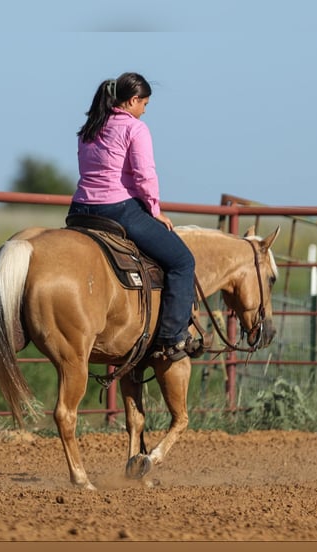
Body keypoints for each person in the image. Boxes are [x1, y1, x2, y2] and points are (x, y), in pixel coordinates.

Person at [68, 72, 202, 362]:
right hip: (117, 209)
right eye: (145, 104)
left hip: (79, 210)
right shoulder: (135, 128)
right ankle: (172, 337)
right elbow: (144, 175)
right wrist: (155, 209)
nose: (144, 110)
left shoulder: (89, 128)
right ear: (132, 100)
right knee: (182, 261)